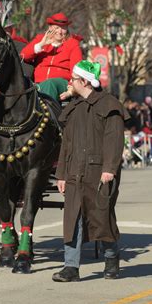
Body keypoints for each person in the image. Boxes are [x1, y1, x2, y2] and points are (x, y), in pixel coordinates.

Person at [52, 60, 129, 282]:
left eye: (74, 79)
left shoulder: (109, 105)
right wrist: (62, 174)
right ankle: (71, 267)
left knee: (101, 218)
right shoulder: (73, 109)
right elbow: (66, 145)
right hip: (75, 172)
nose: (70, 82)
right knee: (72, 219)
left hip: (99, 174)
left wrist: (109, 169)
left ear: (84, 81)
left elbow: (114, 141)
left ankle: (112, 257)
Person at [20, 12, 83, 101]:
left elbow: (77, 70)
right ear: (50, 28)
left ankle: (47, 113)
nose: (60, 31)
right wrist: (41, 44)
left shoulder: (72, 44)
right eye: (56, 28)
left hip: (62, 84)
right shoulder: (40, 39)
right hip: (38, 84)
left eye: (63, 28)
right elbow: (24, 56)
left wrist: (71, 90)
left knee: (50, 84)